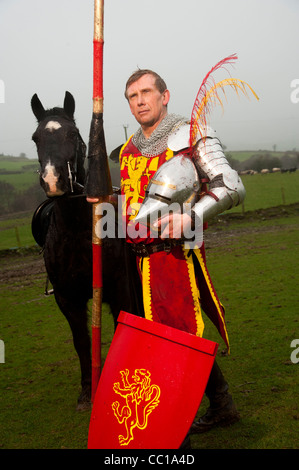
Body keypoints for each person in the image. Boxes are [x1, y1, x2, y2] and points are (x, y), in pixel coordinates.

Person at [88, 68, 241, 437]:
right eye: (131, 96)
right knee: (156, 337)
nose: (139, 100)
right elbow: (134, 205)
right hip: (134, 260)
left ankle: (175, 421)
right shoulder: (126, 151)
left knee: (180, 336)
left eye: (145, 92)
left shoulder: (191, 134)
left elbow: (232, 185)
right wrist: (106, 201)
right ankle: (221, 403)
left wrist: (191, 216)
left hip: (174, 258)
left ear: (164, 95)